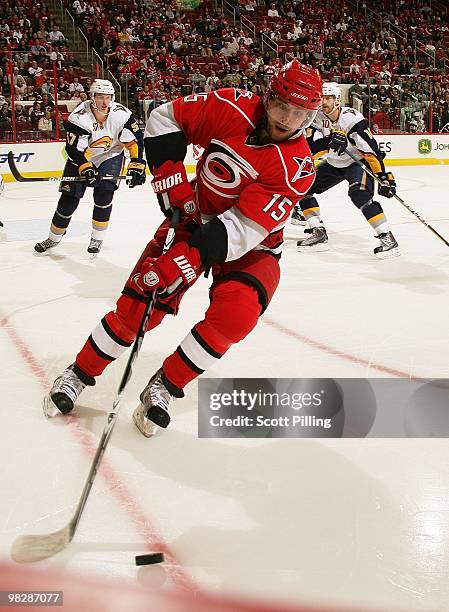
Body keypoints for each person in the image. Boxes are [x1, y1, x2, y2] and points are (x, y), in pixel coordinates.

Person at [42, 60, 322, 436]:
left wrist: (186, 259)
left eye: (301, 113)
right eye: (282, 106)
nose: (288, 120)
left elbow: (242, 228)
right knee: (138, 308)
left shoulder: (298, 166)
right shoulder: (231, 105)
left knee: (236, 316)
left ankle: (167, 385)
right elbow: (164, 118)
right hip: (192, 219)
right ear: (268, 95)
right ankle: (79, 373)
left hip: (253, 245)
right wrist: (172, 179)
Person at [34, 79, 146, 256]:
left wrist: (137, 164)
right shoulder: (78, 117)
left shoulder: (122, 114)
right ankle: (53, 238)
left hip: (111, 155)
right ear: (92, 97)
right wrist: (85, 167)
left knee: (104, 194)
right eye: (100, 97)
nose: (104, 102)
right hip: (82, 157)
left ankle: (96, 239)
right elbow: (73, 149)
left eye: (108, 97)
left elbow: (135, 141)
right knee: (68, 202)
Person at [294, 82, 399, 258]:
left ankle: (387, 238)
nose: (324, 102)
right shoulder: (316, 117)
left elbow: (370, 150)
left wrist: (383, 176)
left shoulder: (352, 118)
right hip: (334, 163)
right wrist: (330, 142)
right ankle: (318, 232)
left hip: (356, 162)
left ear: (337, 100)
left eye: (328, 98)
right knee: (303, 188)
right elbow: (313, 147)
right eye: (322, 98)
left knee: (360, 194)